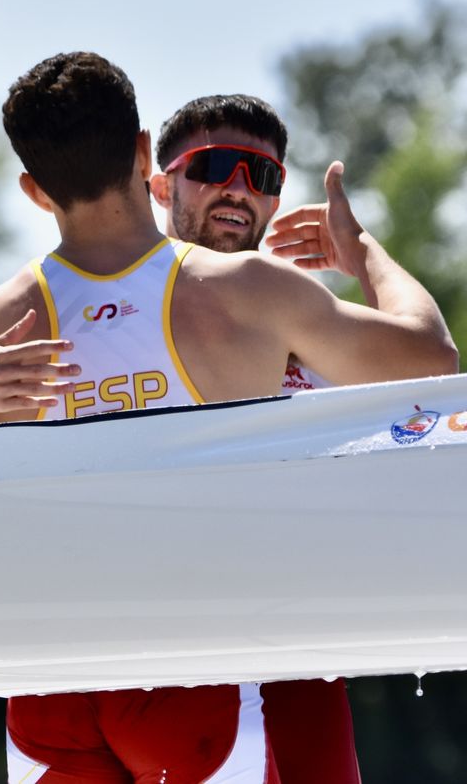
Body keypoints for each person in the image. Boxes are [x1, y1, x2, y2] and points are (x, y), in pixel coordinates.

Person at [0, 52, 456, 782]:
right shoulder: (244, 292)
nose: (240, 190)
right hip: (201, 658)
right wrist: (362, 250)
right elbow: (433, 360)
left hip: (52, 684)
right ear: (149, 160)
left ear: (31, 188)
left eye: (261, 176)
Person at [151, 93, 409, 782]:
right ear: (159, 184)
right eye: (214, 166)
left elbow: (429, 373)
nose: (238, 188)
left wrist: (363, 257)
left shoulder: (303, 321)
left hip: (299, 664)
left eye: (260, 175)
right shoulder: (103, 306)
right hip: (155, 657)